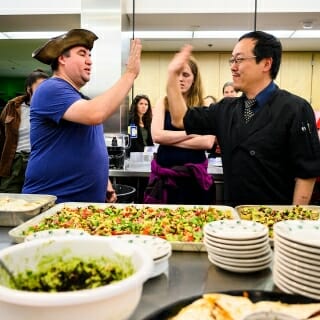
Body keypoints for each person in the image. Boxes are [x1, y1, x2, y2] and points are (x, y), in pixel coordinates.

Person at [166, 31, 320, 206]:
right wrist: (172, 76)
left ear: (266, 63)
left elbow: (306, 174)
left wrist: (291, 222)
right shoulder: (226, 108)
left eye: (239, 59)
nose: (233, 66)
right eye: (232, 60)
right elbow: (180, 119)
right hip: (235, 219)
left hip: (275, 219)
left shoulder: (295, 109)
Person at [22, 29, 141, 203]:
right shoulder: (51, 88)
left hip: (80, 206)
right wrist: (130, 74)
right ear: (62, 58)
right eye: (82, 54)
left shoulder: (81, 99)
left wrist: (104, 181)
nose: (89, 61)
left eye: (90, 55)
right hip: (53, 204)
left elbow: (89, 144)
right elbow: (96, 114)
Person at [144, 56, 216, 205]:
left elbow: (207, 142)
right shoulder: (163, 101)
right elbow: (157, 136)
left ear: (194, 78)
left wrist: (169, 139)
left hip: (194, 180)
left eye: (186, 75)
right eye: (177, 74)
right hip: (165, 178)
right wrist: (192, 132)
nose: (180, 79)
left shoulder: (205, 103)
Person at [0, 69, 49, 193]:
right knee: (8, 198)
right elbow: (2, 134)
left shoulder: (52, 108)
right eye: (40, 87)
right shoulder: (12, 106)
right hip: (15, 160)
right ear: (29, 89)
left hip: (40, 161)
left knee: (39, 199)